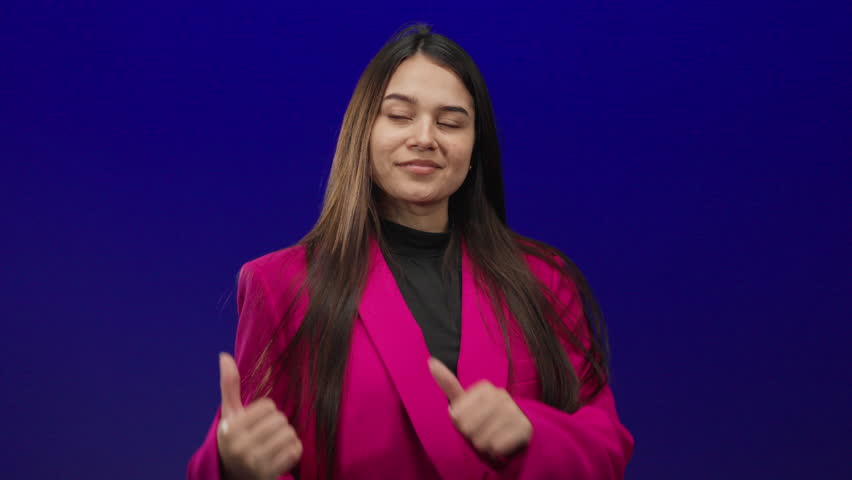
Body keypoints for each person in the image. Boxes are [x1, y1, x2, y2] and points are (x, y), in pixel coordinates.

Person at [187, 23, 634, 480]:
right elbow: (251, 441)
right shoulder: (282, 284)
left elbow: (606, 448)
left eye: (450, 122)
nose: (424, 137)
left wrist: (531, 431)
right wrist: (229, 468)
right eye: (400, 116)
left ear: (476, 145)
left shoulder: (543, 279)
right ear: (363, 130)